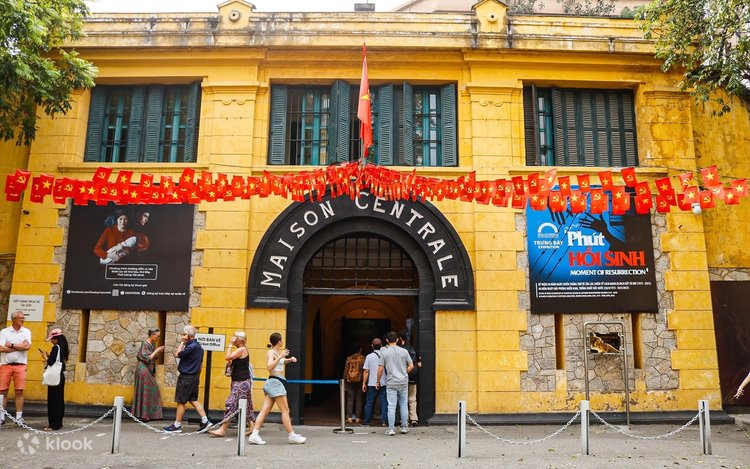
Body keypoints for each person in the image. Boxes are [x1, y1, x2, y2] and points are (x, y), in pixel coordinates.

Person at [247, 332, 306, 445]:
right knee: (285, 410)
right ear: (279, 341)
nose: (282, 341)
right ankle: (292, 435)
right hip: (275, 383)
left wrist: (289, 359)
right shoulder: (271, 352)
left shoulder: (276, 353)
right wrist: (281, 356)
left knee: (265, 410)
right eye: (281, 339)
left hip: (274, 383)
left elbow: (280, 363)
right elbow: (269, 367)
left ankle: (254, 434)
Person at [163, 325, 212, 433]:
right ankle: (205, 421)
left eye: (183, 334)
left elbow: (177, 354)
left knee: (181, 401)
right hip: (194, 377)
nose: (182, 335)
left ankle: (177, 425)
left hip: (186, 377)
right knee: (193, 399)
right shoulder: (199, 347)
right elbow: (200, 365)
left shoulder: (190, 347)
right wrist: (196, 377)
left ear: (187, 335)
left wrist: (182, 342)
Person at [209, 331, 256, 437]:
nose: (233, 339)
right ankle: (252, 427)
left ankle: (222, 429)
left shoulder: (242, 349)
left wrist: (230, 345)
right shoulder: (240, 350)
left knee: (231, 403)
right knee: (247, 404)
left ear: (241, 340)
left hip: (241, 382)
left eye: (235, 338)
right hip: (241, 381)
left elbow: (228, 357)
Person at [377, 331, 413, 436]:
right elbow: (411, 366)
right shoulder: (404, 351)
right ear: (397, 340)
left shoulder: (384, 353)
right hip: (403, 382)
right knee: (403, 404)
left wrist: (377, 381)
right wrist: (404, 373)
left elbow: (380, 369)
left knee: (391, 406)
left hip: (391, 382)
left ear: (387, 340)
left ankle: (391, 429)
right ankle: (404, 427)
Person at [0, 311, 31, 426]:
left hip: (20, 365)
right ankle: (1, 416)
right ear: (13, 319)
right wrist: (19, 347)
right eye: (20, 318)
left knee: (19, 391)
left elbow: (27, 346)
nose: (23, 320)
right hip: (5, 365)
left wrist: (11, 345)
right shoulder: (4, 332)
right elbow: (1, 348)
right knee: (2, 391)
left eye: (23, 318)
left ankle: (19, 417)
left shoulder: (26, 331)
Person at [131, 328, 165, 422]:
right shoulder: (145, 344)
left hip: (147, 370)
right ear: (152, 335)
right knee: (145, 391)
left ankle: (146, 414)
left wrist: (157, 351)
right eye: (157, 336)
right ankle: (143, 415)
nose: (158, 338)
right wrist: (157, 350)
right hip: (143, 370)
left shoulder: (151, 344)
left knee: (150, 390)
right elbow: (147, 358)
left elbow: (152, 358)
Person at [40, 328, 68, 431]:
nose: (51, 341)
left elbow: (51, 362)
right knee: (59, 400)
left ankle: (53, 425)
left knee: (53, 401)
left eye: (52, 339)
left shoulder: (56, 347)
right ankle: (58, 423)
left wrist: (45, 357)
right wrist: (50, 356)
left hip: (54, 377)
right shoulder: (63, 347)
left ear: (57, 339)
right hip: (60, 376)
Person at [361, 337, 388, 427]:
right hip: (384, 383)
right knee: (384, 402)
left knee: (369, 403)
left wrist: (364, 383)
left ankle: (366, 422)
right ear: (381, 346)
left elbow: (366, 371)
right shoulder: (385, 355)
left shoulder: (369, 356)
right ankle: (384, 421)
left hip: (372, 383)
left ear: (372, 346)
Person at [398, 330, 422, 426]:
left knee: (402, 399)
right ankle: (414, 418)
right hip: (413, 376)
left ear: (400, 339)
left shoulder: (399, 350)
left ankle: (404, 419)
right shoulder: (414, 349)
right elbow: (419, 364)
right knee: (412, 398)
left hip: (402, 377)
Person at [343, 343, 365, 424]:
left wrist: (344, 381)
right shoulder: (363, 358)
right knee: (359, 398)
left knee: (350, 398)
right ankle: (358, 418)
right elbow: (365, 370)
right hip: (360, 380)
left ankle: (349, 418)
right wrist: (365, 382)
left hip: (350, 380)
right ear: (360, 350)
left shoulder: (349, 358)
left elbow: (346, 371)